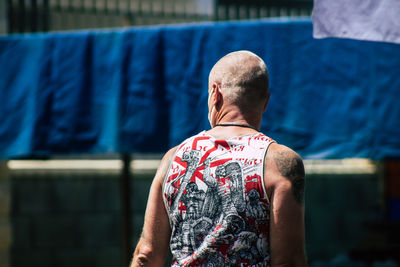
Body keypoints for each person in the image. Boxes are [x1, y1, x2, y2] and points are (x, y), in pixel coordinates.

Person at [131, 50, 307, 267]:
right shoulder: (280, 163)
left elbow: (146, 255)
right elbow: (288, 261)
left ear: (215, 94)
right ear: (266, 101)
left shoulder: (174, 159)